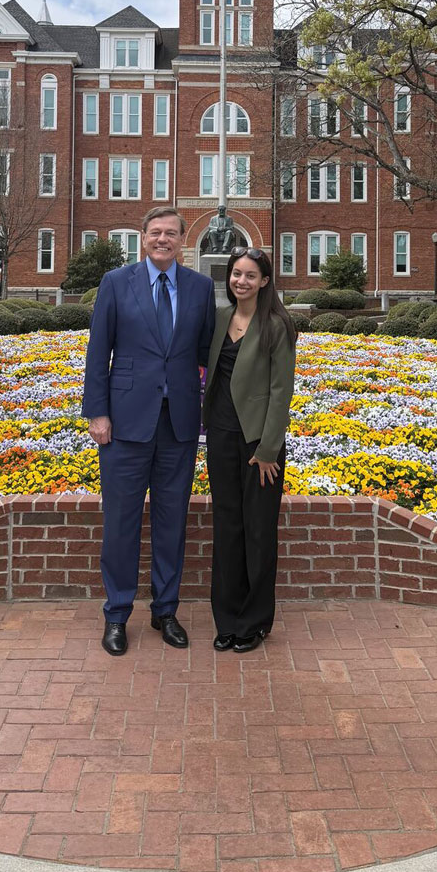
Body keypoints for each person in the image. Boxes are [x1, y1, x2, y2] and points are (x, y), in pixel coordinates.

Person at [82, 207, 216, 656]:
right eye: (156, 233)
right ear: (142, 238)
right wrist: (97, 414)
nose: (164, 240)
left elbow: (204, 356)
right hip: (123, 424)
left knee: (170, 522)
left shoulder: (199, 288)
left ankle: (165, 610)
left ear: (182, 240)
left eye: (172, 234)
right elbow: (98, 353)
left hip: (177, 423)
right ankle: (117, 615)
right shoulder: (117, 284)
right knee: (120, 523)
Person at [202, 246, 297, 654]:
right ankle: (226, 619)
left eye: (249, 275)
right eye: (235, 274)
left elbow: (281, 391)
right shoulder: (220, 317)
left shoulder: (277, 325)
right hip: (221, 437)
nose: (241, 281)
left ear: (264, 281)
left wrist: (269, 449)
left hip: (260, 445)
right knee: (226, 528)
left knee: (258, 531)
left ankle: (254, 621)